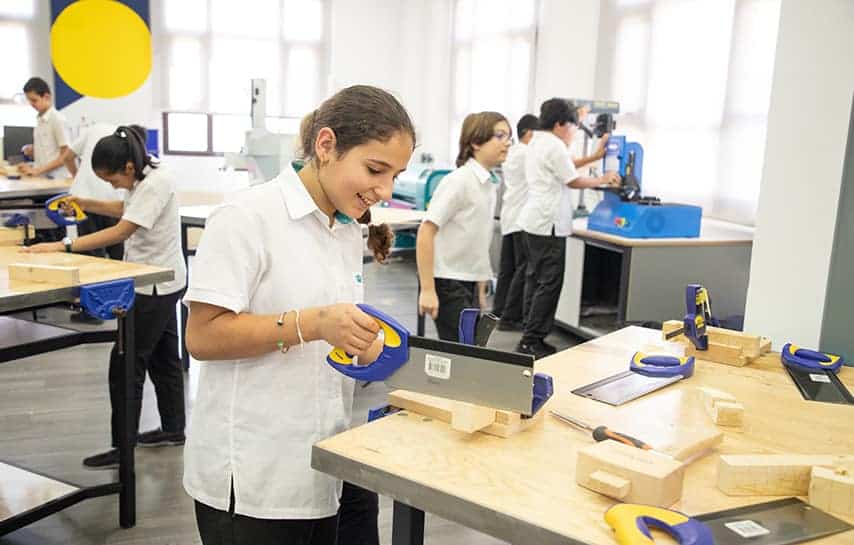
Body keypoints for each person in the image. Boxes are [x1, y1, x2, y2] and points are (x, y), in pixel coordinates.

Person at [182, 85, 413, 545]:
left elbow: (329, 329)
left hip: (323, 463)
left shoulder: (344, 228)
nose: (384, 191)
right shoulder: (247, 217)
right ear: (326, 146)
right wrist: (313, 323)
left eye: (395, 175)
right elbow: (202, 337)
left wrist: (359, 346)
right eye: (374, 170)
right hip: (253, 478)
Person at [23, 125, 189, 467]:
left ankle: (122, 449)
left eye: (111, 179)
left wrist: (62, 245)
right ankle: (173, 429)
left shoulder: (155, 183)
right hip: (164, 281)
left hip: (152, 285)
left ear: (127, 168)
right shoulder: (147, 171)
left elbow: (123, 229)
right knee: (163, 359)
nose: (113, 185)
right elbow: (124, 209)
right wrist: (85, 203)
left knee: (126, 365)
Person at [516, 99, 620, 359]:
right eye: (574, 126)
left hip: (534, 221)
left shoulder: (539, 141)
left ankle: (528, 334)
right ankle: (533, 340)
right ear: (561, 124)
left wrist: (595, 156)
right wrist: (603, 179)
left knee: (535, 280)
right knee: (549, 283)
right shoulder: (554, 145)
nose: (575, 131)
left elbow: (566, 166)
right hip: (548, 223)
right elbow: (572, 180)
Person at [416, 112, 511, 341]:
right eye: (500, 135)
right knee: (459, 353)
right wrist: (428, 289)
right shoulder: (459, 181)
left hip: (468, 281)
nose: (507, 142)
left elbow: (477, 240)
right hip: (447, 281)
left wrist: (480, 288)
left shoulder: (488, 184)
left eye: (509, 137)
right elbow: (426, 231)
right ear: (476, 142)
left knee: (469, 351)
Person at [492, 113, 538, 331]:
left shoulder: (511, 153)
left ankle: (498, 311)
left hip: (509, 215)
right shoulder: (527, 152)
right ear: (529, 133)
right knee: (522, 269)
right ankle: (510, 317)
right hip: (520, 219)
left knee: (507, 269)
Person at [63, 122, 126, 260]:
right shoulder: (128, 139)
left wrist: (77, 177)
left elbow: (67, 157)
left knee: (89, 257)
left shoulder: (95, 128)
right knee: (118, 258)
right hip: (113, 200)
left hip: (84, 197)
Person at [19, 77, 70, 179]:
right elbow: (49, 152)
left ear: (46, 97)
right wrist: (34, 151)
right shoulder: (40, 119)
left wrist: (37, 170)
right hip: (43, 178)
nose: (31, 104)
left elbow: (66, 155)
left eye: (34, 100)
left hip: (56, 179)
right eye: (29, 100)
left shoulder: (57, 119)